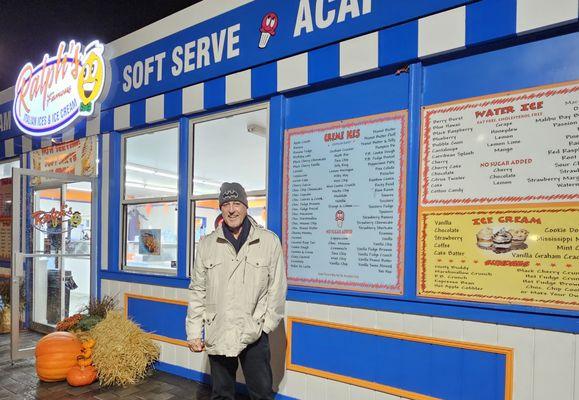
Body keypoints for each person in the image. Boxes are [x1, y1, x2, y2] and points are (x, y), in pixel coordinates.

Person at [186, 182, 287, 400]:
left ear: (245, 206)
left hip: (254, 333)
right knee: (221, 394)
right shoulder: (206, 245)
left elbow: (277, 289)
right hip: (219, 330)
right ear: (221, 209)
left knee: (261, 394)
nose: (232, 209)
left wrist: (266, 326)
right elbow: (197, 291)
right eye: (226, 204)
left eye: (236, 203)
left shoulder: (268, 242)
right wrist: (194, 332)